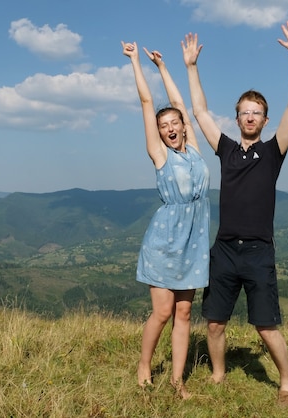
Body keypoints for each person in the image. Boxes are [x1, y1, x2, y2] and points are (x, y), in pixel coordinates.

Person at [182, 21, 288, 406]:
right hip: (225, 249)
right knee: (214, 322)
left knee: (266, 326)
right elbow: (199, 111)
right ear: (236, 119)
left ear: (265, 121)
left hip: (258, 251)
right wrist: (191, 67)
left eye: (256, 113)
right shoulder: (227, 150)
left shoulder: (273, 152)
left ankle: (286, 381)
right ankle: (219, 375)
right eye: (244, 112)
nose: (250, 117)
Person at [121, 40, 211, 399]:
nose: (171, 127)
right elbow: (147, 103)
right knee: (161, 312)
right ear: (158, 133)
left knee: (185, 313)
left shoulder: (195, 151)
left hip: (194, 241)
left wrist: (164, 68)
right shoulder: (160, 156)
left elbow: (185, 109)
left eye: (174, 123)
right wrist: (135, 62)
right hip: (164, 242)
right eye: (164, 125)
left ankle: (177, 382)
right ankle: (144, 365)